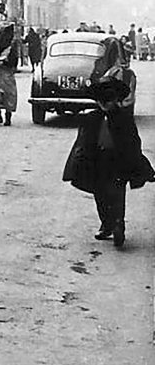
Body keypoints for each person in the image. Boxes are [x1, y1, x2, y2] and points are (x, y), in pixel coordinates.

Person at [62, 75, 155, 246]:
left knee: (117, 193)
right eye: (101, 100)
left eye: (109, 99)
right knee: (100, 195)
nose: (105, 103)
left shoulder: (124, 118)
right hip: (97, 161)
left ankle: (119, 223)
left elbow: (133, 141)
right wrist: (80, 161)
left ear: (117, 100)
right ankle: (106, 224)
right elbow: (83, 142)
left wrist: (136, 161)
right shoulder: (91, 118)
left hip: (118, 162)